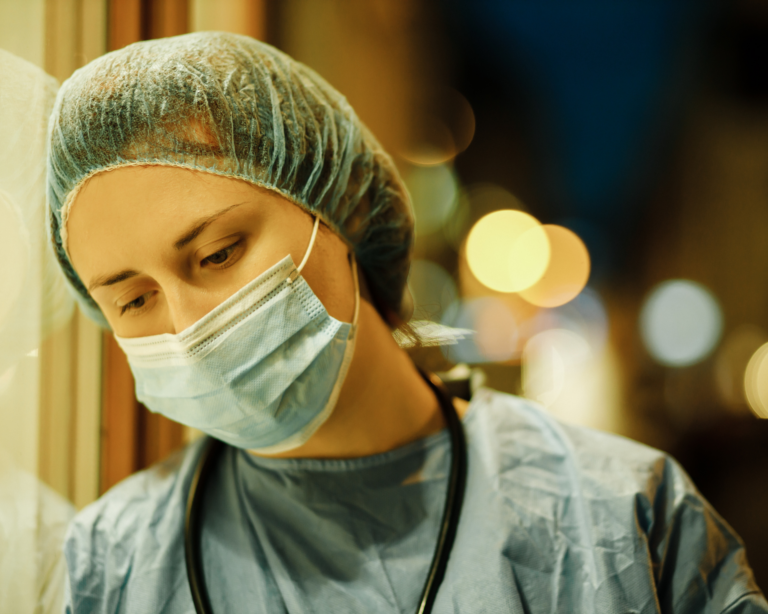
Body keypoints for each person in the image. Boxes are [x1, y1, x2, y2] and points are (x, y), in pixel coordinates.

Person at [49, 32, 766, 613]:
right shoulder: (112, 565)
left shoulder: (619, 517)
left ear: (341, 210)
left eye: (219, 253)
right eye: (133, 299)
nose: (189, 324)